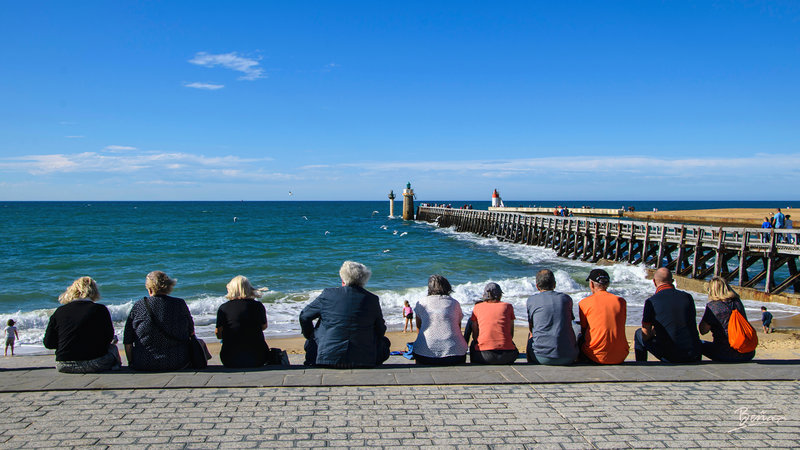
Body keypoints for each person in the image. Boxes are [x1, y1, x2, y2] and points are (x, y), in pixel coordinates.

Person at [299, 261, 390, 368]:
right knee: (385, 342)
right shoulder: (372, 299)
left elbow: (304, 316)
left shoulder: (328, 294)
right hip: (364, 359)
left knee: (314, 339)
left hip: (325, 358)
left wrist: (310, 335)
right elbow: (380, 330)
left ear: (343, 279)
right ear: (364, 280)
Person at [124, 271, 199, 371]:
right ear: (168, 287)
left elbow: (128, 340)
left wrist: (131, 362)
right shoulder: (179, 304)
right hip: (178, 361)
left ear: (150, 289)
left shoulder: (139, 305)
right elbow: (191, 330)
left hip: (144, 362)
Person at [43, 277, 121, 373]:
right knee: (113, 348)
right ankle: (115, 366)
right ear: (94, 291)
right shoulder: (100, 309)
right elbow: (108, 338)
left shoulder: (59, 311)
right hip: (95, 363)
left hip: (63, 365)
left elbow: (48, 343)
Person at [634, 268, 702, 363]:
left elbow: (645, 334)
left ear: (654, 282)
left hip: (670, 355)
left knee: (638, 333)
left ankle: (641, 364)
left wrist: (653, 332)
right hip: (693, 353)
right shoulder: (687, 297)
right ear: (673, 281)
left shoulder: (652, 301)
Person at [411, 275, 468, 365]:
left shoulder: (421, 302)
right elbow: (457, 327)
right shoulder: (454, 303)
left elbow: (419, 327)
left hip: (424, 354)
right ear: (447, 287)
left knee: (419, 349)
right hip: (455, 353)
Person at [215, 275, 270, 368]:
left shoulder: (224, 308)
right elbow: (264, 326)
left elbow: (218, 334)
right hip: (258, 358)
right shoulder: (258, 306)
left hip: (230, 360)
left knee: (226, 336)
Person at [526, 269, 578, 365]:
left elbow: (531, 328)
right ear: (554, 284)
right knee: (575, 326)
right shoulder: (566, 299)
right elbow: (569, 321)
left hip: (541, 358)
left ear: (537, 286)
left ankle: (530, 362)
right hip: (568, 357)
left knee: (531, 334)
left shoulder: (531, 300)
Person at [698, 277, 755, 362]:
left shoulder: (713, 306)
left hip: (724, 354)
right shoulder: (737, 302)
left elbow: (703, 331)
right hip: (747, 353)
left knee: (697, 343)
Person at [578, 269, 629, 364]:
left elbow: (584, 329)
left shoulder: (584, 303)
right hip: (621, 355)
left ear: (592, 284)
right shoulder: (621, 301)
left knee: (578, 334)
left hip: (596, 356)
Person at [468, 283, 518, 365]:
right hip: (507, 356)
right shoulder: (508, 306)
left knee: (474, 344)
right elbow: (510, 333)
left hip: (484, 356)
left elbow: (475, 336)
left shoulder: (477, 307)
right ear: (500, 295)